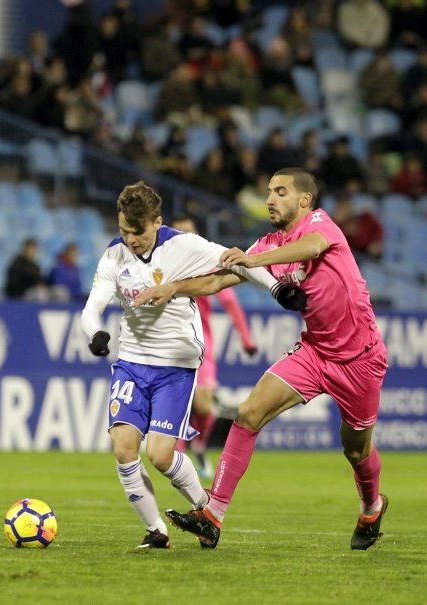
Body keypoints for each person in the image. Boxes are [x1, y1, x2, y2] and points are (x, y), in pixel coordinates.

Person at [135, 168, 388, 550]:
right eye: (269, 191)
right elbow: (218, 279)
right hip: (315, 352)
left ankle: (372, 506)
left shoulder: (320, 225)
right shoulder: (267, 244)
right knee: (248, 413)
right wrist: (172, 287)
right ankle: (213, 515)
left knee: (356, 449)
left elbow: (312, 248)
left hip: (361, 359)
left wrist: (256, 262)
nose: (270, 198)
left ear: (304, 199)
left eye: (280, 192)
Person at [81, 181, 306, 549]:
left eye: (136, 232)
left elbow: (239, 260)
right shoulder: (114, 256)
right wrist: (95, 334)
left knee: (159, 455)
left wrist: (277, 289)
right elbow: (92, 307)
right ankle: (157, 530)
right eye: (123, 230)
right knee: (123, 448)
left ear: (156, 222)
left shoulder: (182, 246)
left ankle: (205, 510)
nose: (130, 239)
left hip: (175, 364)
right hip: (132, 361)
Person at [170, 217, 257, 481]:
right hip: (172, 343)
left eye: (189, 231)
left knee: (204, 406)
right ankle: (178, 456)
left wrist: (246, 339)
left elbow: (230, 302)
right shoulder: (164, 264)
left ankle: (198, 447)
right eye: (179, 232)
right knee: (180, 404)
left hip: (202, 344)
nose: (184, 236)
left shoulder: (206, 263)